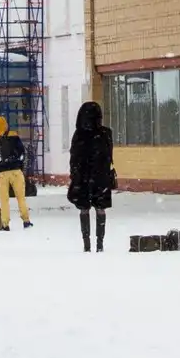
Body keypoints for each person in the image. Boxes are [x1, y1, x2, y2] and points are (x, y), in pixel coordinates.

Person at [67, 101, 116, 251]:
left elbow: (74, 157)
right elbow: (109, 156)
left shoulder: (79, 135)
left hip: (82, 177)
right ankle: (100, 243)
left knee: (84, 208)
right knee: (100, 208)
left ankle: (86, 242)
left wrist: (75, 175)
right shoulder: (106, 133)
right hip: (101, 177)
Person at [0, 115, 31, 229]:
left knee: (4, 200)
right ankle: (26, 220)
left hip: (0, 174)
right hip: (15, 172)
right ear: (6, 125)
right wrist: (19, 166)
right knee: (21, 198)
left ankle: (5, 223)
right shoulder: (14, 136)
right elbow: (22, 152)